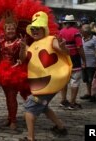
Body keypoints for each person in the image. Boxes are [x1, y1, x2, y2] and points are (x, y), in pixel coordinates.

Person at [19, 11, 71, 141]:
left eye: (38, 28)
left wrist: (63, 47)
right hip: (37, 83)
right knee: (43, 107)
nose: (35, 31)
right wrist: (22, 48)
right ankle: (61, 127)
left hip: (47, 83)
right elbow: (23, 58)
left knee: (29, 109)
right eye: (33, 28)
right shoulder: (32, 45)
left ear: (44, 29)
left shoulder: (51, 39)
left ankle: (31, 138)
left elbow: (63, 51)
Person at [0, 12, 30, 130]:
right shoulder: (1, 39)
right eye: (8, 29)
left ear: (15, 29)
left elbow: (22, 58)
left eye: (12, 28)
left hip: (14, 72)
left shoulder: (19, 41)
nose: (10, 31)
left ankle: (13, 121)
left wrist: (22, 48)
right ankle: (10, 117)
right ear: (4, 30)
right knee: (8, 97)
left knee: (11, 97)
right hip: (3, 72)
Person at [59, 15, 86, 110]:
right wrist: (84, 59)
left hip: (63, 60)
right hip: (74, 59)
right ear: (73, 23)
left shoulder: (60, 32)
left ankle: (63, 100)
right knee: (75, 81)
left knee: (64, 81)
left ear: (65, 22)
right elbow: (79, 47)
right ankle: (72, 102)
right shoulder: (76, 32)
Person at [80, 24, 96, 102]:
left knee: (91, 79)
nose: (80, 32)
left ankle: (93, 95)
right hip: (83, 62)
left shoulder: (94, 39)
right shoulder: (81, 38)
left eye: (81, 31)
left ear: (86, 32)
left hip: (92, 63)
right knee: (85, 79)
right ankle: (89, 93)